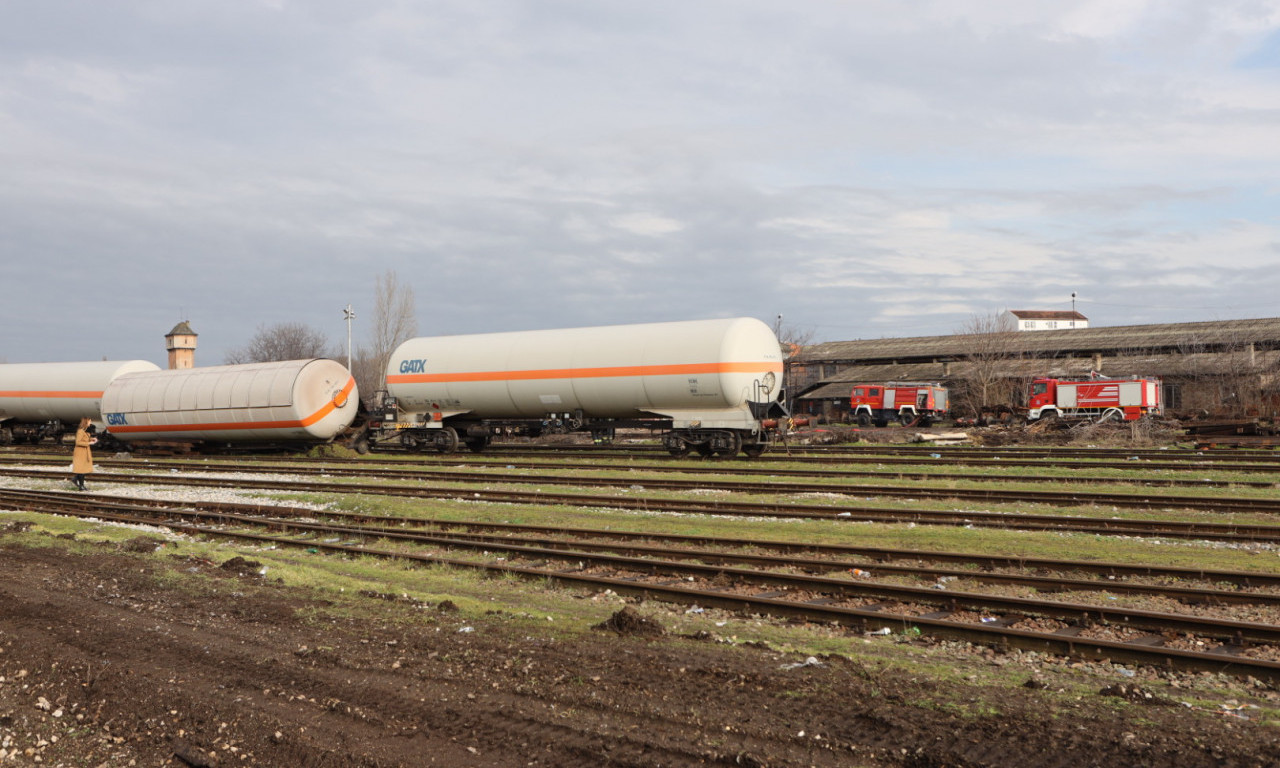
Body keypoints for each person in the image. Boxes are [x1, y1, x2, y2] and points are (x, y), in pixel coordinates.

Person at [71, 418, 97, 491]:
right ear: (85, 422)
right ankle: (81, 486)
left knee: (83, 469)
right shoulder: (80, 431)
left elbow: (85, 439)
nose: (90, 423)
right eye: (89, 421)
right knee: (82, 469)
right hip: (80, 452)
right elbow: (78, 442)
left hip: (84, 452)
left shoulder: (85, 431)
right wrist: (89, 443)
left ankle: (76, 480)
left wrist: (92, 439)